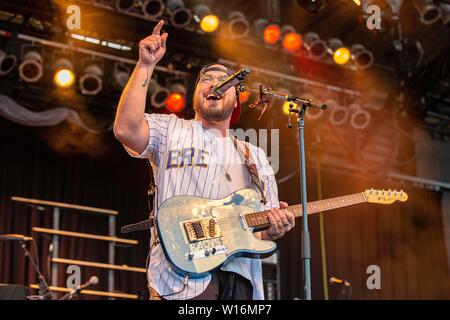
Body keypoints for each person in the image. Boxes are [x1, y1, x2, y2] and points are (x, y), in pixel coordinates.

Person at [114, 20, 295, 300]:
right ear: (196, 93)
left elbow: (261, 234)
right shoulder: (171, 129)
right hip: (181, 276)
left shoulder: (255, 156)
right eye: (206, 80)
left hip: (240, 282)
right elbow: (126, 129)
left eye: (223, 82)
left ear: (236, 101)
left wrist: (275, 227)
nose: (214, 85)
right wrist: (145, 65)